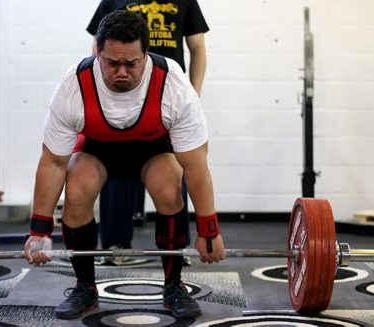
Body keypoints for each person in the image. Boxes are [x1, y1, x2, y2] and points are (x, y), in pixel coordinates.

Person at [24, 10, 225, 320]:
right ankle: (85, 287)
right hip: (98, 150)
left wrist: (209, 230)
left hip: (153, 149)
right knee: (76, 193)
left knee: (170, 190)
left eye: (131, 64)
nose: (121, 72)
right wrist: (39, 229)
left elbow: (196, 165)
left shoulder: (172, 83)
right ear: (97, 53)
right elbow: (53, 163)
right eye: (112, 63)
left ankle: (173, 285)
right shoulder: (73, 86)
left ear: (145, 54)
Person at [86, 0, 209, 264]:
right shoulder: (113, 1)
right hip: (122, 97)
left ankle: (177, 247)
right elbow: (99, 46)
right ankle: (115, 245)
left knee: (174, 173)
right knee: (116, 169)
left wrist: (194, 94)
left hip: (165, 97)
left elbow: (197, 49)